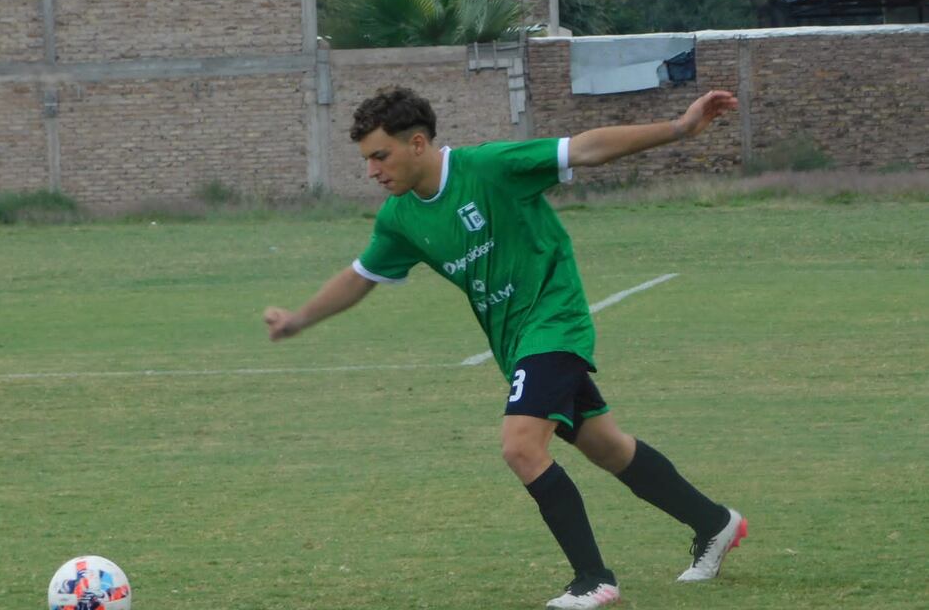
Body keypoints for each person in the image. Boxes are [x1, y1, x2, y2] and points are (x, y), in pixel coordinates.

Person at [264, 86, 748, 609]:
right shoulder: (400, 218)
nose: (372, 171)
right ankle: (714, 522)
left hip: (554, 321)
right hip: (515, 343)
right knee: (606, 445)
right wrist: (298, 320)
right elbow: (361, 277)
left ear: (419, 143)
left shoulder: (490, 166)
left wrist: (679, 128)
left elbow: (582, 148)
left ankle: (594, 579)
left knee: (521, 447)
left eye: (380, 156)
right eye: (366, 160)